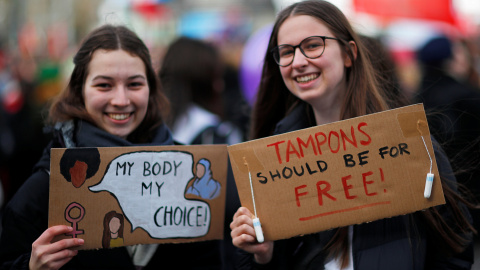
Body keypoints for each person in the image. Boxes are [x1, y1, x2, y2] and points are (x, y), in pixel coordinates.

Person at [230, 1, 476, 269]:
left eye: (313, 45)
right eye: (286, 52)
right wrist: (262, 255)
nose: (299, 62)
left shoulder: (406, 140)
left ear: (349, 54)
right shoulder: (273, 159)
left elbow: (454, 249)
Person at [0, 24, 221, 270]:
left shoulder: (186, 169)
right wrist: (31, 266)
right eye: (104, 85)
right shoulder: (48, 185)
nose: (121, 100)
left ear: (151, 89)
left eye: (134, 84)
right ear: (79, 91)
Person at [159, 36, 243, 270]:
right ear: (210, 82)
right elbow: (236, 206)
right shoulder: (217, 134)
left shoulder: (149, 128)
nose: (221, 85)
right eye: (217, 77)